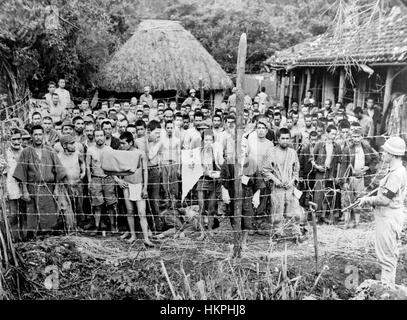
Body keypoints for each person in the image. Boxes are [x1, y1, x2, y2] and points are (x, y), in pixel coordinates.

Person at [358, 137, 407, 287]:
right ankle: (387, 287)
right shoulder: (395, 171)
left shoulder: (396, 174)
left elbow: (385, 200)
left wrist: (368, 200)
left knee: (387, 257)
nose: (382, 154)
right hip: (387, 217)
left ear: (392, 154)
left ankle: (387, 290)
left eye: (385, 151)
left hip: (389, 218)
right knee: (388, 254)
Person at [13, 125, 67, 238]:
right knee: (33, 215)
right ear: (32, 136)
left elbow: (59, 170)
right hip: (33, 188)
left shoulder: (50, 151)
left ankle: (48, 236)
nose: (38, 137)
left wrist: (57, 188)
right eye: (35, 134)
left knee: (49, 215)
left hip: (48, 189)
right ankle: (34, 238)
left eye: (40, 134)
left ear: (43, 135)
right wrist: (25, 190)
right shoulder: (26, 152)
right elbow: (22, 172)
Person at [262, 128, 306, 237]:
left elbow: (296, 170)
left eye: (287, 138)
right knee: (277, 212)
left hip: (290, 187)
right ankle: (278, 233)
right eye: (283, 138)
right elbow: (265, 170)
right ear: (278, 139)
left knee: (295, 211)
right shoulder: (271, 152)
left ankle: (296, 232)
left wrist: (292, 181)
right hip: (277, 188)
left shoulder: (292, 153)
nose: (285, 141)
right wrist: (276, 180)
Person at [116, 132, 154, 246]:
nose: (122, 145)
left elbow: (145, 171)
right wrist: (118, 180)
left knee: (142, 212)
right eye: (121, 143)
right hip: (127, 185)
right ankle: (133, 235)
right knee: (130, 211)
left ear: (130, 142)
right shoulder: (121, 153)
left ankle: (146, 238)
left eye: (123, 143)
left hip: (139, 185)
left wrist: (145, 188)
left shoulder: (140, 153)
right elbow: (112, 168)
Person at [340, 127, 379, 228]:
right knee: (346, 199)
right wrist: (344, 180)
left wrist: (368, 167)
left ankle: (357, 223)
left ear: (361, 137)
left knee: (359, 199)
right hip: (350, 178)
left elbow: (375, 158)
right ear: (351, 137)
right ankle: (346, 223)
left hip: (361, 178)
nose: (356, 139)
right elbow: (344, 166)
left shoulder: (367, 148)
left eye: (358, 137)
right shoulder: (347, 149)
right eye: (354, 136)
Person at [86, 129, 118, 234]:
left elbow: (113, 166)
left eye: (101, 135)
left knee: (111, 204)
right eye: (97, 136)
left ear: (105, 136)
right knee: (97, 205)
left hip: (108, 178)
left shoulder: (109, 149)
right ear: (94, 137)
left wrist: (114, 178)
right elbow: (87, 166)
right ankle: (96, 226)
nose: (99, 138)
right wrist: (90, 181)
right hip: (96, 178)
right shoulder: (90, 150)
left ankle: (113, 226)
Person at [311, 125, 342, 223]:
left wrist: (337, 176)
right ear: (327, 133)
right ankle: (316, 216)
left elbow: (339, 162)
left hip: (331, 173)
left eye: (335, 134)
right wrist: (316, 166)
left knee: (327, 194)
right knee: (318, 194)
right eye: (332, 133)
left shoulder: (337, 146)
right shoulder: (319, 144)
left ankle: (324, 216)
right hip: (320, 173)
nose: (334, 136)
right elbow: (311, 158)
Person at [57, 134, 86, 230]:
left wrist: (84, 172)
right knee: (68, 206)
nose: (74, 146)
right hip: (65, 186)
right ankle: (70, 227)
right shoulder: (59, 157)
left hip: (77, 184)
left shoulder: (77, 153)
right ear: (65, 146)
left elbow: (82, 163)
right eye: (71, 144)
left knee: (79, 205)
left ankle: (79, 225)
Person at [145, 120, 164, 231]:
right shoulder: (144, 141)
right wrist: (147, 141)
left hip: (154, 171)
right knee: (145, 200)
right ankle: (147, 227)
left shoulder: (159, 142)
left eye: (159, 133)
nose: (158, 135)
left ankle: (157, 226)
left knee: (155, 200)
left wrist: (149, 143)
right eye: (156, 133)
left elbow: (151, 156)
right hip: (144, 171)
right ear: (149, 131)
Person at [161, 120, 181, 210]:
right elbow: (160, 154)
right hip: (164, 163)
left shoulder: (177, 140)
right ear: (165, 129)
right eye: (168, 128)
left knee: (174, 185)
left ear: (173, 129)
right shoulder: (162, 140)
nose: (169, 129)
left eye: (171, 128)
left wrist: (179, 168)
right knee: (165, 184)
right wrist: (160, 166)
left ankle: (174, 203)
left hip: (174, 163)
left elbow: (179, 154)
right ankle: (166, 202)